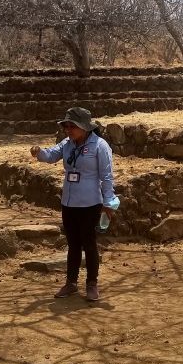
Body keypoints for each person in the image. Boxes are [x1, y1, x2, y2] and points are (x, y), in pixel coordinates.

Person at [30, 107, 119, 302]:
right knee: (73, 244)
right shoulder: (67, 144)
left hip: (90, 203)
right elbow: (51, 155)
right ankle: (71, 283)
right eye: (66, 126)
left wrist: (109, 202)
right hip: (69, 202)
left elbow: (106, 176)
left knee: (89, 243)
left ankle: (92, 284)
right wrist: (39, 152)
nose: (68, 130)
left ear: (85, 127)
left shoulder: (100, 146)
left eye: (73, 126)